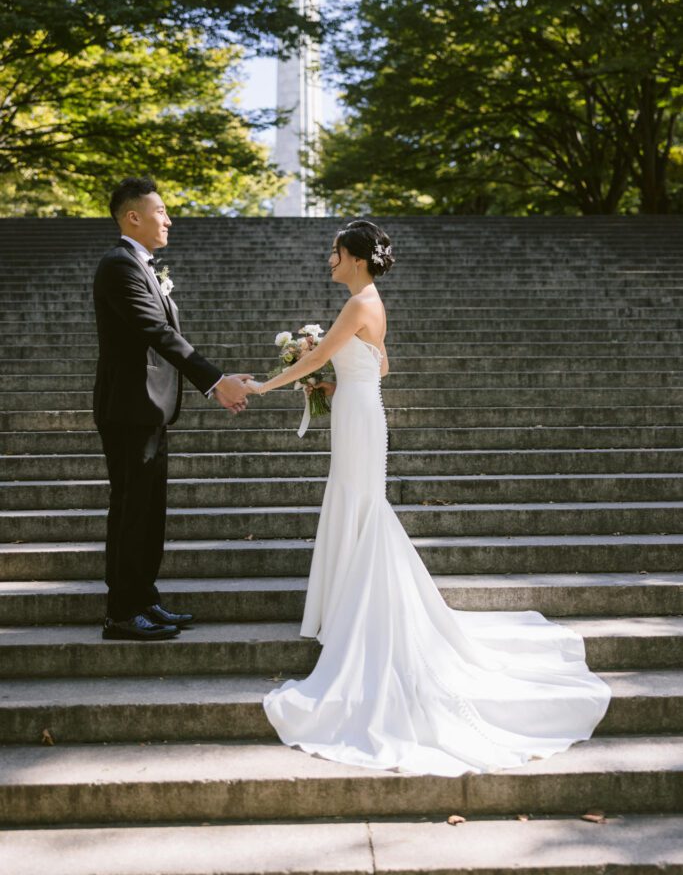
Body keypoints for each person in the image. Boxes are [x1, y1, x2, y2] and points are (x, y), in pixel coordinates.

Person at [246, 219, 612, 777]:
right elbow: (378, 364)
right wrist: (334, 388)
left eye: (336, 251)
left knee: (362, 506)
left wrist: (263, 386)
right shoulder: (368, 301)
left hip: (363, 421)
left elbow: (318, 357)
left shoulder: (358, 302)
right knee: (357, 502)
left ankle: (357, 609)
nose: (330, 258)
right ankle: (346, 602)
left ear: (358, 258)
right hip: (359, 413)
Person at [93, 176, 252, 641]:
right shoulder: (118, 266)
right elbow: (157, 334)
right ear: (132, 217)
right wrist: (216, 381)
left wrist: (216, 379)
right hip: (128, 407)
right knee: (131, 510)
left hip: (151, 408)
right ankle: (121, 612)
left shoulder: (142, 265)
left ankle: (144, 598)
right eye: (160, 210)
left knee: (149, 511)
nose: (168, 218)